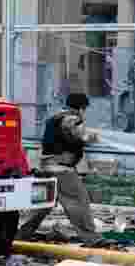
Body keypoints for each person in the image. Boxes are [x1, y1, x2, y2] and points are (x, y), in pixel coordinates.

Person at [17, 92, 99, 241]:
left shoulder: (53, 118)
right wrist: (94, 137)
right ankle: (91, 238)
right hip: (62, 170)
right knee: (78, 202)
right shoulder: (71, 119)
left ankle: (20, 234)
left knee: (42, 205)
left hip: (45, 168)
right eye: (84, 109)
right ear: (81, 108)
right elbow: (81, 136)